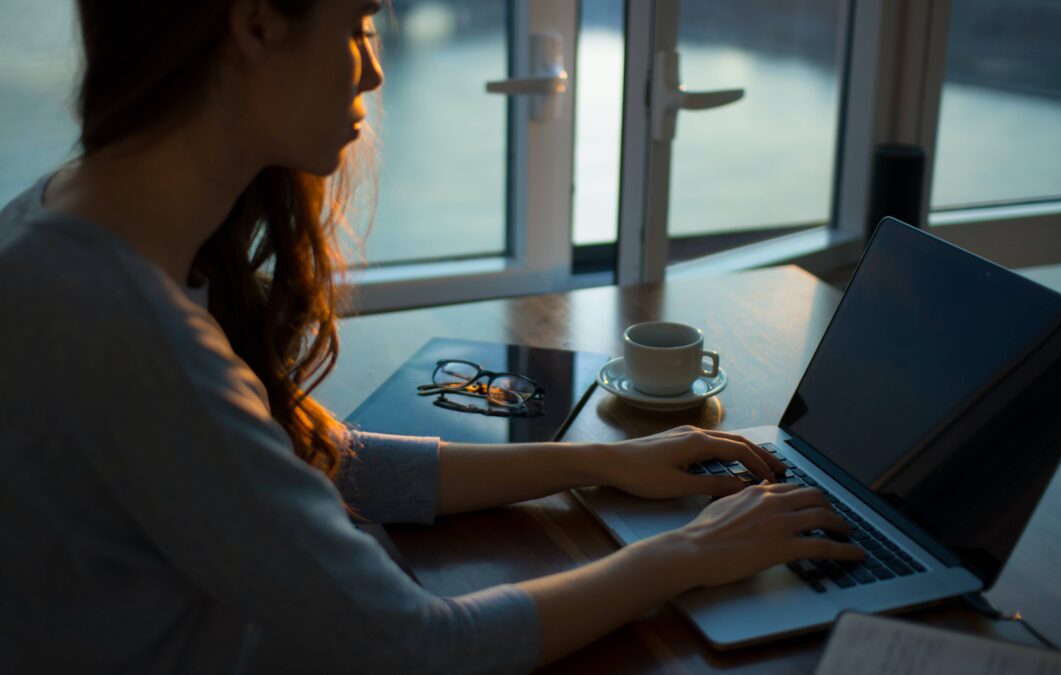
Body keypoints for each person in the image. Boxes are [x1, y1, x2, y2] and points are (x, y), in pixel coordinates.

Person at [0, 0, 862, 672]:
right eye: (358, 24)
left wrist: (595, 463)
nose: (373, 69)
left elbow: (299, 459)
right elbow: (423, 649)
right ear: (256, 22)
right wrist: (687, 553)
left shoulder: (61, 222)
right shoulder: (130, 335)